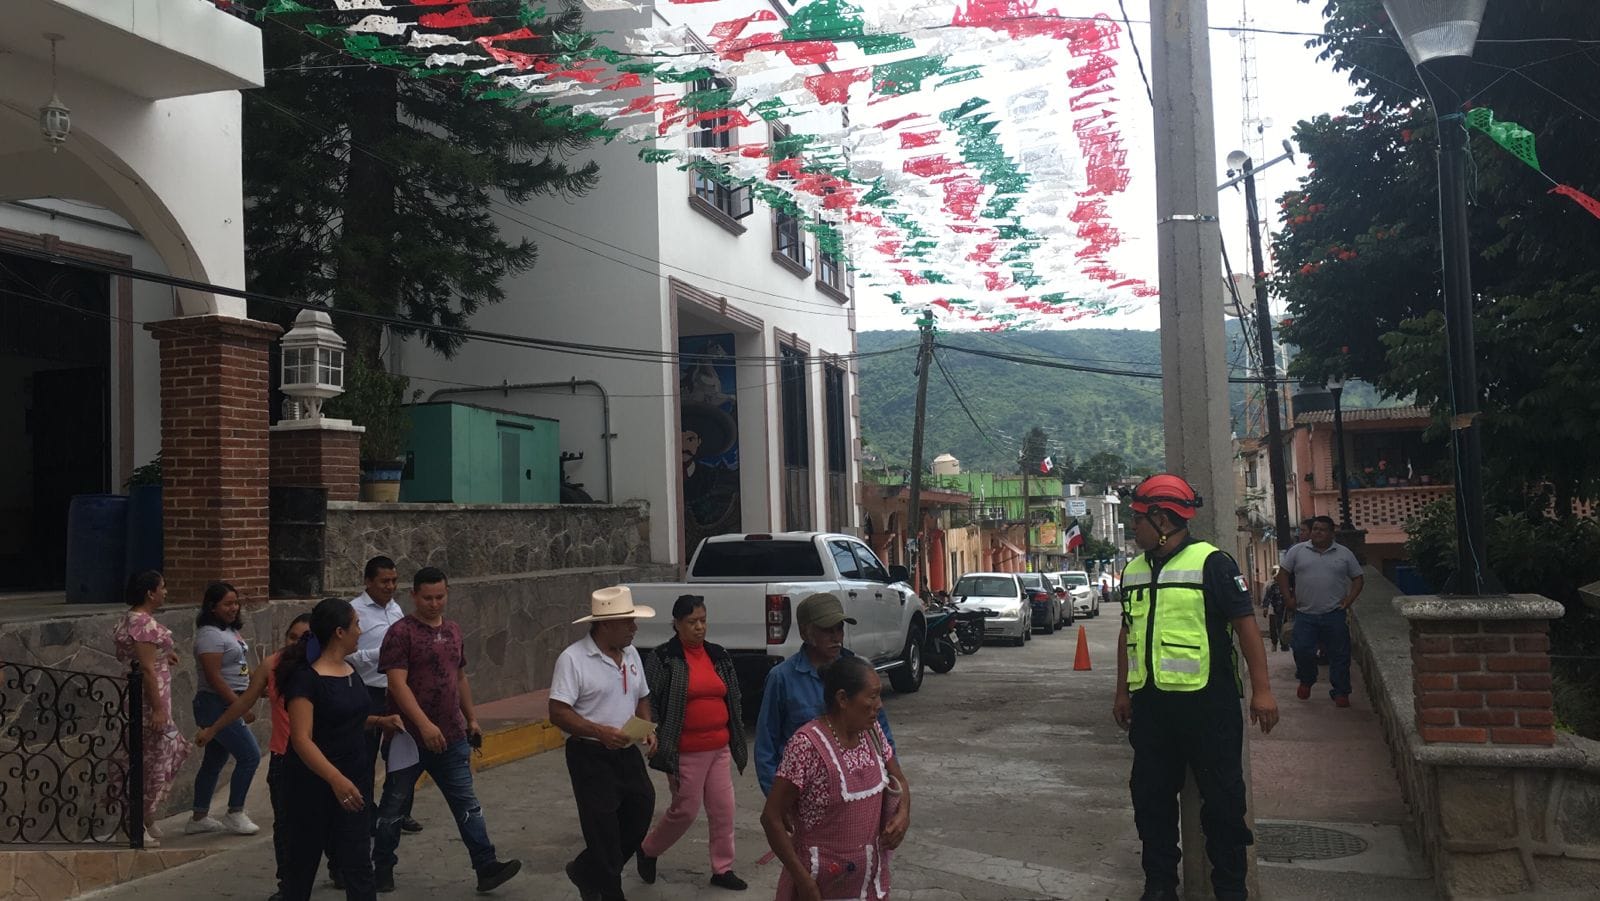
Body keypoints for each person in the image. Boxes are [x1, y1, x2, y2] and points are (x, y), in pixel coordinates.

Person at [1111, 474, 1278, 901]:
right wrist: (1122, 692)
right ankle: (1160, 885)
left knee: (1223, 804)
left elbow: (1246, 627)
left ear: (1161, 519)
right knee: (1151, 800)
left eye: (1137, 520)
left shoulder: (1213, 563)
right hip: (1152, 708)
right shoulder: (1132, 571)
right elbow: (1127, 633)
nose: (1134, 529)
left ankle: (1230, 890)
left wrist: (1262, 691)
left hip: (1209, 706)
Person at [371, 567, 520, 894]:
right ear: (414, 596)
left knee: (467, 804)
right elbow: (396, 684)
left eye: (440, 597)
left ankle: (486, 866)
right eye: (427, 597)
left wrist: (472, 718)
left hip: (451, 737)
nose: (434, 603)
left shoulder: (453, 631)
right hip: (407, 738)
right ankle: (382, 866)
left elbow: (460, 677)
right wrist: (423, 725)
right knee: (394, 805)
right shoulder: (400, 633)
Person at [276, 597, 402, 901]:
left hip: (353, 783)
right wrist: (335, 779)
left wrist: (379, 721)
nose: (361, 631)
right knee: (301, 866)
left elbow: (346, 719)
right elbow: (302, 739)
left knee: (358, 865)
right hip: (313, 785)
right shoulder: (306, 679)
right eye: (356, 624)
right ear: (339, 632)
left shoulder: (349, 672)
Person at [760, 655, 911, 901]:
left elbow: (900, 781)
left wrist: (903, 813)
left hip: (868, 886)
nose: (880, 704)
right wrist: (804, 882)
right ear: (842, 699)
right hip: (820, 886)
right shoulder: (806, 745)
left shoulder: (872, 734)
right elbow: (771, 817)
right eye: (872, 696)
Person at [550, 586, 659, 901]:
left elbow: (642, 696)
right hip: (590, 755)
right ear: (605, 625)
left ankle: (586, 869)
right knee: (603, 829)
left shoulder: (632, 653)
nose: (634, 628)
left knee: (640, 812)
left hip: (626, 752)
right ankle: (610, 890)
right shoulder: (573, 659)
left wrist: (647, 728)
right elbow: (558, 712)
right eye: (628, 622)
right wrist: (599, 732)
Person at [197, 613, 313, 901]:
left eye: (305, 638)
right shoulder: (272, 665)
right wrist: (213, 730)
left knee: (325, 822)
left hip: (320, 757)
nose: (296, 644)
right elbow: (245, 701)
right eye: (292, 637)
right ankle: (287, 884)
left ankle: (338, 868)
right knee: (285, 824)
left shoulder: (323, 668)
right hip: (284, 757)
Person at [637, 595, 748, 891]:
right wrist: (655, 733)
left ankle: (722, 868)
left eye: (703, 620)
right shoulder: (664, 657)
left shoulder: (718, 655)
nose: (699, 627)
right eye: (691, 622)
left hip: (719, 747)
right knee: (685, 810)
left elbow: (733, 696)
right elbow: (650, 699)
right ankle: (648, 849)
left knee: (724, 809)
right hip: (685, 749)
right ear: (676, 624)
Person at [755, 593, 895, 797]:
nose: (836, 637)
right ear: (805, 632)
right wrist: (778, 800)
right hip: (805, 794)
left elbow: (882, 735)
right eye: (827, 630)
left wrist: (893, 784)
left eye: (839, 629)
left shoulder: (858, 670)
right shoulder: (782, 678)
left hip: (859, 790)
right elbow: (766, 746)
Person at [111, 570, 190, 847]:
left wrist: (165, 655)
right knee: (152, 758)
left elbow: (147, 657)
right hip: (148, 700)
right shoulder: (142, 624)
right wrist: (157, 708)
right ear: (150, 592)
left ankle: (145, 815)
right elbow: (144, 667)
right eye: (162, 587)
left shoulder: (136, 620)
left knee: (168, 749)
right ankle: (136, 818)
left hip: (151, 694)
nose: (165, 592)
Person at [346, 556, 420, 837]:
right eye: (384, 581)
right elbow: (347, 655)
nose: (390, 586)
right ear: (368, 582)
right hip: (367, 691)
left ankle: (398, 811)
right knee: (364, 757)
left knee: (401, 754)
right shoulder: (354, 611)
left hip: (396, 691)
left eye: (393, 581)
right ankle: (364, 815)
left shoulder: (396, 609)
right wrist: (383, 655)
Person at [185, 581, 262, 836]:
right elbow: (215, 677)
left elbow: (239, 665)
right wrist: (238, 705)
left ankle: (199, 816)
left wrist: (258, 685)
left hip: (233, 697)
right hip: (216, 703)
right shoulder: (209, 634)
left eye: (235, 603)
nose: (233, 608)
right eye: (227, 604)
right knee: (250, 755)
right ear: (212, 606)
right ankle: (235, 811)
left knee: (214, 760)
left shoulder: (229, 631)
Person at [1276, 515, 1364, 708]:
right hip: (1305, 615)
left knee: (1339, 655)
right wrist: (1288, 598)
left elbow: (1358, 578)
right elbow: (1282, 574)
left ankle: (1341, 692)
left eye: (1322, 529)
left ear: (1332, 533)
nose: (1317, 532)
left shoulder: (1344, 554)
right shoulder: (1297, 551)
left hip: (1334, 614)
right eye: (1315, 528)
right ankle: (1307, 680)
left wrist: (1349, 600)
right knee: (1301, 650)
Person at [1262, 569, 1288, 652]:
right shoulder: (1273, 586)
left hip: (1287, 610)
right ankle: (1282, 644)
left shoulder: (1288, 585)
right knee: (1278, 627)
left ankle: (1286, 644)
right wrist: (1265, 608)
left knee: (1288, 627)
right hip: (1277, 610)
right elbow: (1267, 597)